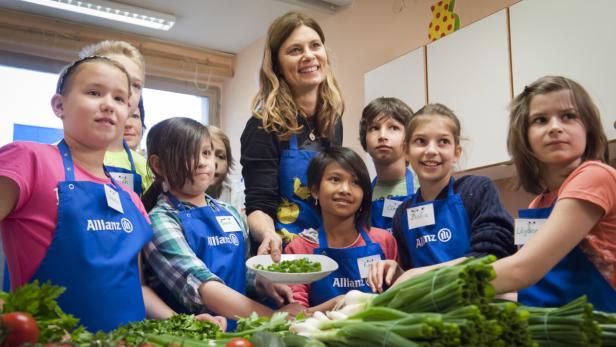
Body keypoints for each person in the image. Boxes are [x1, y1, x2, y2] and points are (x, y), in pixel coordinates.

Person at [0, 56, 176, 332]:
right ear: (59, 106)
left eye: (120, 99)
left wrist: (177, 321)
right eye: (94, 93)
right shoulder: (28, 160)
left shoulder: (130, 200)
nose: (108, 104)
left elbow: (137, 287)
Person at [141, 117, 300, 330]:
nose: (202, 162)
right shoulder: (160, 221)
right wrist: (272, 317)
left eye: (206, 152)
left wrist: (262, 282)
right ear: (158, 165)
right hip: (196, 337)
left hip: (244, 331)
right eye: (188, 154)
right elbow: (204, 287)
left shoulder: (230, 212)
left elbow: (241, 271)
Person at [483, 76, 614, 311]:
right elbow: (530, 289)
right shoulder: (537, 205)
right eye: (540, 120)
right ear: (525, 137)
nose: (555, 127)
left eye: (569, 116)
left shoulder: (594, 176)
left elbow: (522, 270)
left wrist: (438, 283)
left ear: (588, 128)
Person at [367, 103, 515, 292]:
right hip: (430, 314)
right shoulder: (402, 214)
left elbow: (492, 257)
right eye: (420, 141)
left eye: (443, 142)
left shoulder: (476, 190)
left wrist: (419, 274)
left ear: (456, 153)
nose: (431, 150)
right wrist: (398, 272)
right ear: (406, 151)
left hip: (479, 306)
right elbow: (413, 279)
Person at [240, 11, 344, 261]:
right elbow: (258, 206)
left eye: (315, 45)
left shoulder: (332, 122)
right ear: (277, 66)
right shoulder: (263, 127)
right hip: (281, 257)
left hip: (323, 252)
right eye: (295, 50)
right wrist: (267, 234)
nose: (309, 55)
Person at [284, 147, 399, 311]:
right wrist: (339, 303)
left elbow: (398, 300)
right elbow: (295, 317)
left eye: (355, 182)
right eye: (335, 179)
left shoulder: (383, 241)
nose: (345, 190)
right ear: (315, 190)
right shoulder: (298, 250)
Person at [80, 40, 152, 196]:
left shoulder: (143, 167)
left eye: (136, 85)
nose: (127, 91)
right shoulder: (51, 159)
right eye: (117, 78)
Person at [360, 97, 416, 232]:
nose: (382, 136)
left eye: (393, 128)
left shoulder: (425, 188)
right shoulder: (361, 196)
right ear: (365, 140)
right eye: (374, 128)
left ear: (409, 139)